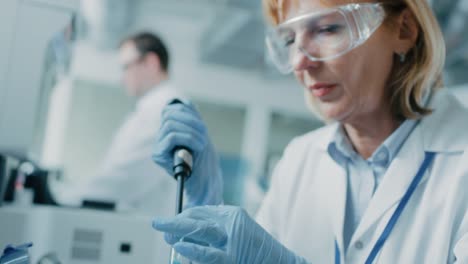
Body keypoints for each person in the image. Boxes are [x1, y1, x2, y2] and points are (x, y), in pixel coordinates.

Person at [151, 0, 468, 263]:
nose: (301, 60)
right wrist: (203, 206)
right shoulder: (298, 160)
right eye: (290, 40)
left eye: (329, 28)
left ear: (404, 30)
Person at [53, 32, 181, 214]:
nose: (121, 78)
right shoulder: (153, 110)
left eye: (126, 67)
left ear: (151, 63)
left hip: (148, 232)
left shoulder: (166, 112)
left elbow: (126, 178)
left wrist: (63, 197)